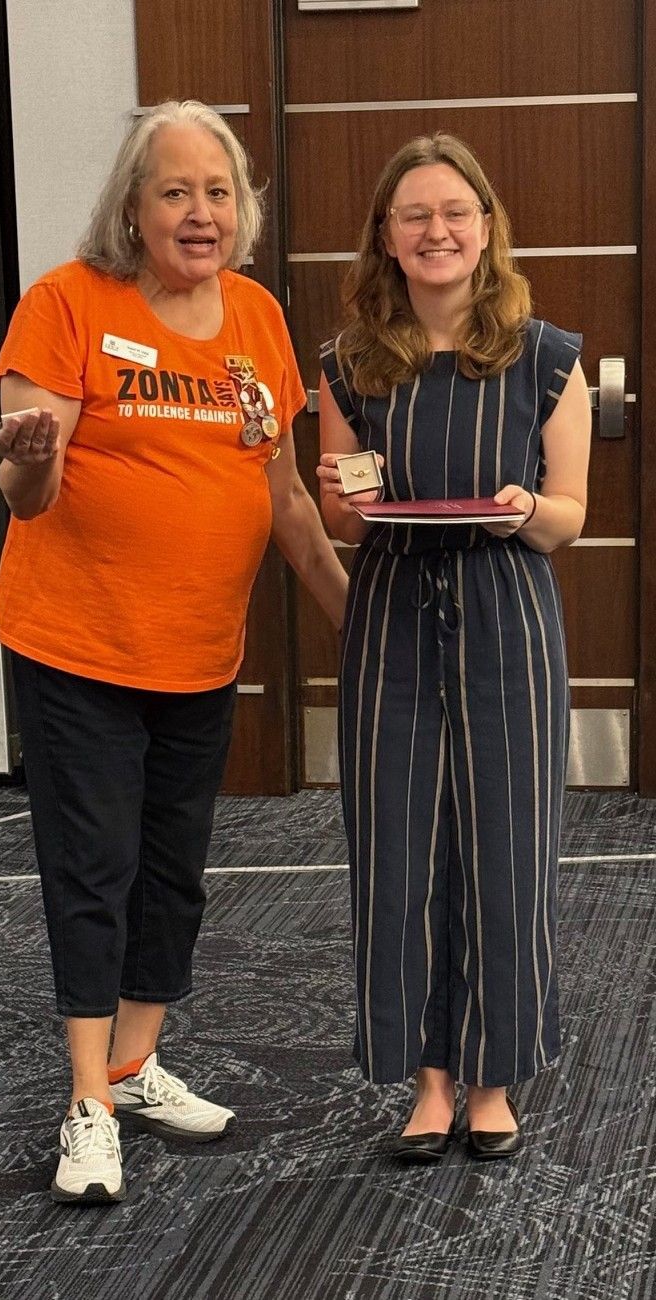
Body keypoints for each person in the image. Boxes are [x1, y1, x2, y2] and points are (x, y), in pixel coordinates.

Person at [0, 99, 348, 1203]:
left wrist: (356, 618)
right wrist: (32, 458)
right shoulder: (66, 301)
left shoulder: (255, 316)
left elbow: (282, 495)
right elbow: (26, 488)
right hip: (78, 650)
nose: (201, 212)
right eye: (176, 191)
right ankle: (87, 1101)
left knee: (172, 879)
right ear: (132, 208)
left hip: (199, 654)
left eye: (218, 192)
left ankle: (136, 1062)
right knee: (92, 873)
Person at [317, 133, 591, 1162]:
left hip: (506, 616)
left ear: (486, 229)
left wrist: (524, 506)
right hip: (388, 618)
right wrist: (346, 494)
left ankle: (493, 1078)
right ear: (386, 239)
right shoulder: (346, 364)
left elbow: (567, 515)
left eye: (454, 213)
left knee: (507, 853)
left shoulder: (547, 355)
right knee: (395, 854)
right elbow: (344, 514)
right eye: (414, 215)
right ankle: (426, 1080)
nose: (436, 231)